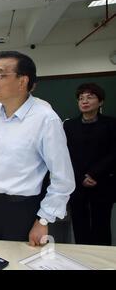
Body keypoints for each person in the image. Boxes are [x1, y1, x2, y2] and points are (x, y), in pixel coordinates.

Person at [0, 51, 75, 246]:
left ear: (22, 82)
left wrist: (43, 220)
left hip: (20, 212)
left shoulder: (45, 119)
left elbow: (63, 179)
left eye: (0, 75)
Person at [63, 83, 116, 246]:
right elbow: (66, 155)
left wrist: (94, 174)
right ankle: (83, 259)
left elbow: (114, 153)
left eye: (90, 97)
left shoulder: (111, 124)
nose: (84, 101)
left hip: (103, 182)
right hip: (77, 184)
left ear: (100, 102)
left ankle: (103, 261)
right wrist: (81, 177)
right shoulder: (69, 125)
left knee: (102, 224)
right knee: (80, 225)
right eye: (81, 98)